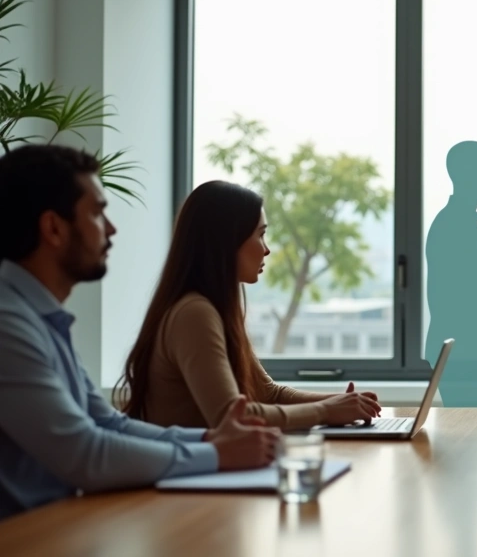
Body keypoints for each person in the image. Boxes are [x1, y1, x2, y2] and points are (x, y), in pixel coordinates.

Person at [0, 146, 279, 520]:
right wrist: (216, 453)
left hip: (56, 525)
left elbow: (108, 423)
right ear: (53, 228)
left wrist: (213, 440)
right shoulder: (7, 323)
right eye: (98, 212)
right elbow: (84, 453)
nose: (112, 228)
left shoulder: (40, 317)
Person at [117, 181, 381, 431]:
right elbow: (232, 417)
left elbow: (270, 394)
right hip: (192, 477)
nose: (266, 249)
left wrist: (344, 403)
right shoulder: (194, 313)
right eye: (261, 234)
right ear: (226, 242)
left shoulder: (212, 309)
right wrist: (325, 411)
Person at [424, 141, 477, 406]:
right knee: (469, 435)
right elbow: (456, 304)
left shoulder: (458, 222)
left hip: (468, 356)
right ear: (469, 175)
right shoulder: (453, 227)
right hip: (465, 358)